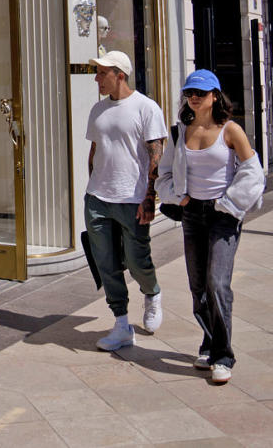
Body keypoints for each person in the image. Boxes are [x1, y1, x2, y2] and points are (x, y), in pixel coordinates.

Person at [157, 69, 265, 386]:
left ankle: (223, 356)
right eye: (190, 92)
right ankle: (208, 341)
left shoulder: (230, 131)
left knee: (217, 283)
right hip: (193, 215)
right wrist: (178, 197)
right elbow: (164, 176)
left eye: (201, 93)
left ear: (215, 96)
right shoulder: (179, 134)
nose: (194, 97)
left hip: (223, 214)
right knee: (198, 288)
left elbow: (253, 172)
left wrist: (230, 204)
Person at [84, 50, 166, 351]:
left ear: (120, 74)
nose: (96, 79)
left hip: (132, 199)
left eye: (101, 73)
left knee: (136, 261)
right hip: (97, 199)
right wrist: (91, 187)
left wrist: (149, 199)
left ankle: (152, 292)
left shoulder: (146, 108)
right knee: (106, 263)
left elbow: (156, 155)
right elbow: (95, 152)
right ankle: (121, 324)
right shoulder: (97, 109)